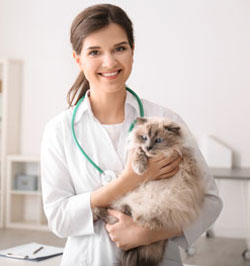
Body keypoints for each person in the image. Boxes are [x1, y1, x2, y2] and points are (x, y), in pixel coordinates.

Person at [41, 4, 222, 266]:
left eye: (119, 48)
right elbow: (58, 218)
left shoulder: (166, 121)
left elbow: (211, 201)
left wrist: (148, 233)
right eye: (94, 52)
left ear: (133, 52)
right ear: (78, 59)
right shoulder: (58, 131)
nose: (110, 62)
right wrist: (129, 180)